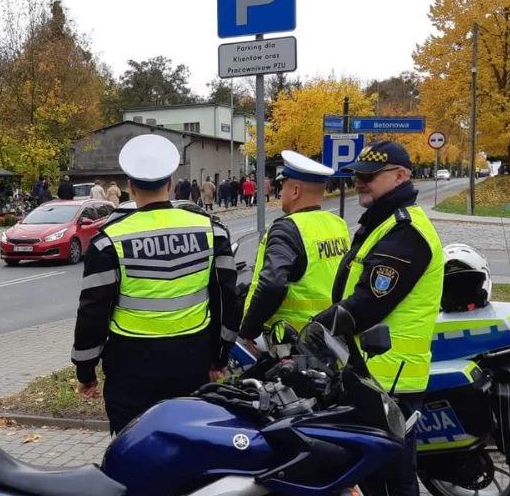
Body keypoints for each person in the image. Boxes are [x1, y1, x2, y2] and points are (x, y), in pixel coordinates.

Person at [71, 134, 241, 433]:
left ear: (130, 187)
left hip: (131, 367)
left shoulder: (108, 241)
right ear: (171, 184)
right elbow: (227, 300)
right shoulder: (212, 232)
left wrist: (86, 371)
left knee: (134, 447)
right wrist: (220, 357)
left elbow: (92, 313)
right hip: (193, 359)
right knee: (191, 441)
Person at [314, 141, 445, 496]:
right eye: (357, 175)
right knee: (372, 478)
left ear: (401, 176)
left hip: (390, 378)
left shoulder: (406, 232)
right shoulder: (384, 222)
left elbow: (369, 304)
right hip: (373, 371)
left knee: (392, 482)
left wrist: (315, 328)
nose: (360, 182)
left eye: (370, 176)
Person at [239, 151, 350, 344]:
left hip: (291, 339)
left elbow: (272, 286)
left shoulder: (287, 228)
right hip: (329, 334)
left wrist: (249, 330)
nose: (280, 193)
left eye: (283, 186)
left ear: (296, 191)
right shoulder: (337, 224)